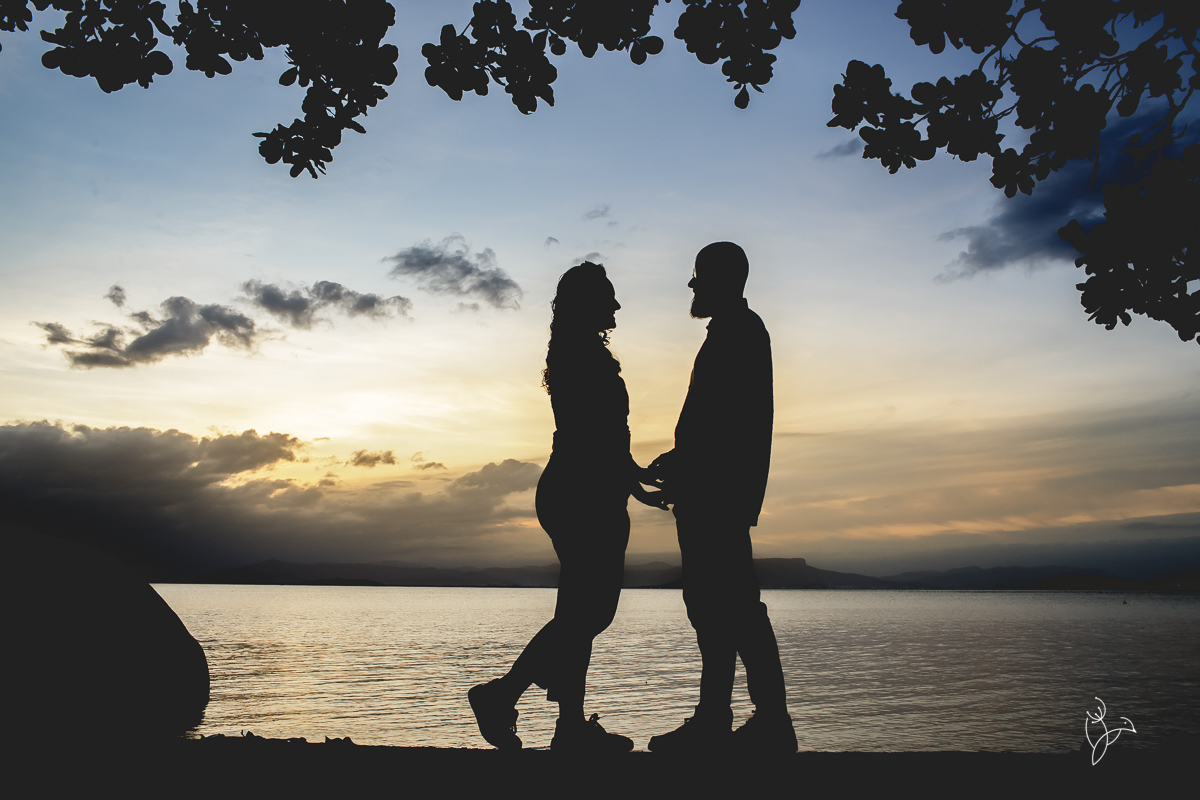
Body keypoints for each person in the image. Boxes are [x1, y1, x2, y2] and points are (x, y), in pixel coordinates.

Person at [468, 261, 664, 752]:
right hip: (583, 494)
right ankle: (503, 695)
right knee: (587, 613)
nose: (617, 305)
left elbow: (605, 436)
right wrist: (629, 478)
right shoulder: (580, 356)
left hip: (586, 489)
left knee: (581, 612)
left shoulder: (581, 353)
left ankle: (568, 726)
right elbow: (592, 435)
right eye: (608, 297)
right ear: (587, 304)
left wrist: (634, 478)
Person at [646, 242, 797, 754]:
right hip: (712, 491)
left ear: (724, 280)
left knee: (730, 607)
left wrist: (690, 465)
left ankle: (757, 722)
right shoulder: (733, 331)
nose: (691, 285)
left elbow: (731, 425)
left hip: (717, 496)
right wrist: (678, 458)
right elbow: (718, 421)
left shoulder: (740, 332)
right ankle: (725, 720)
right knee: (714, 607)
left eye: (698, 276)